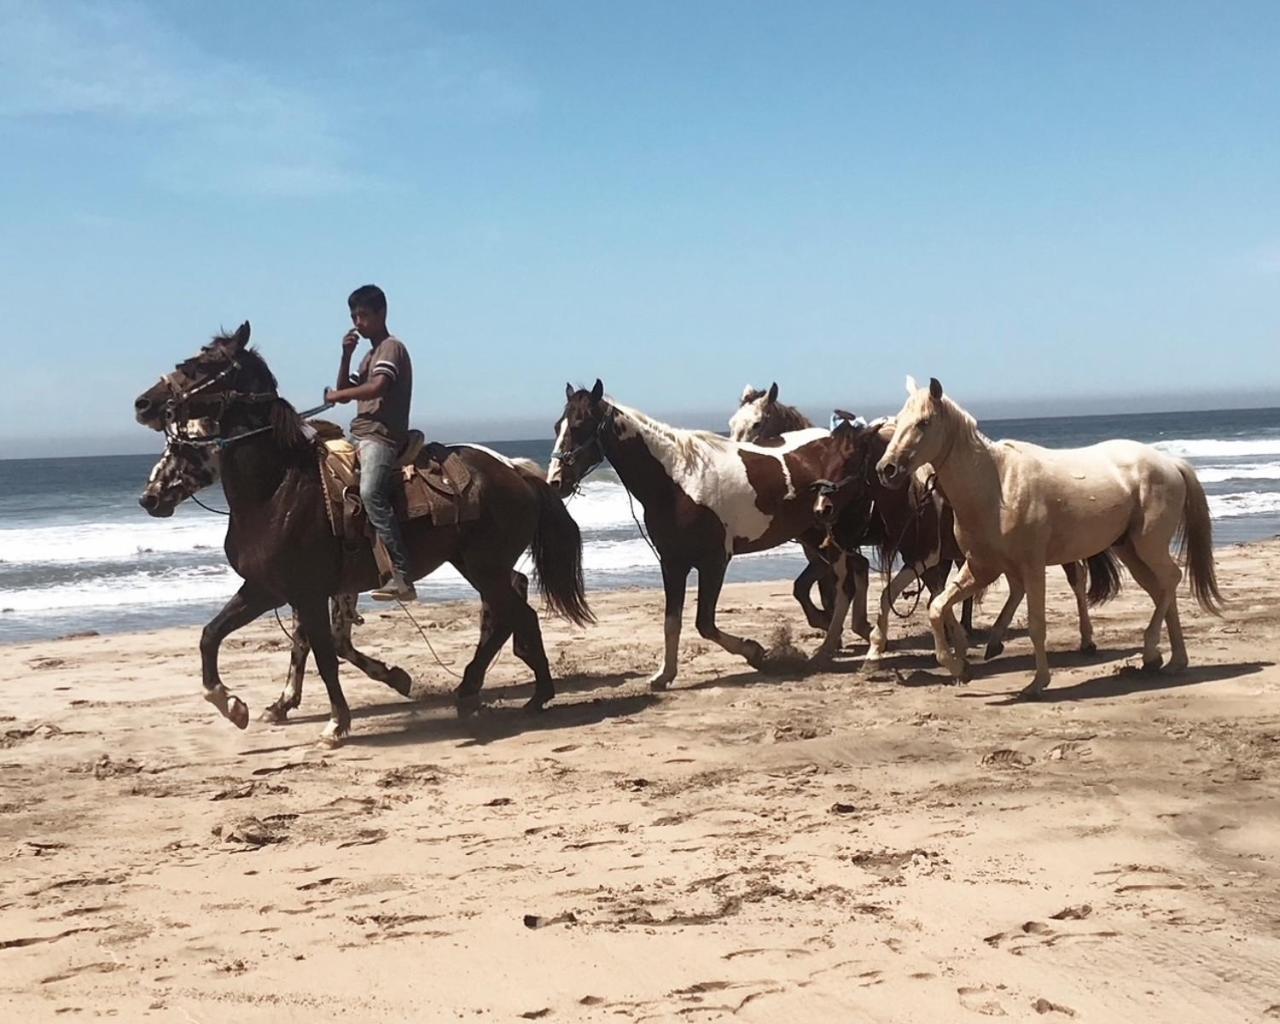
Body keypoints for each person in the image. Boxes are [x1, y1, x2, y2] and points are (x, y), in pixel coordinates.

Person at [324, 284, 417, 601]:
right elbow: (343, 389)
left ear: (382, 313)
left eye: (363, 315)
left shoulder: (391, 348)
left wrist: (339, 395)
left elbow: (377, 388)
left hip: (381, 435)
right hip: (359, 432)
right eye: (353, 316)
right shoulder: (367, 355)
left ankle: (401, 575)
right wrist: (346, 355)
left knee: (370, 492)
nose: (357, 322)